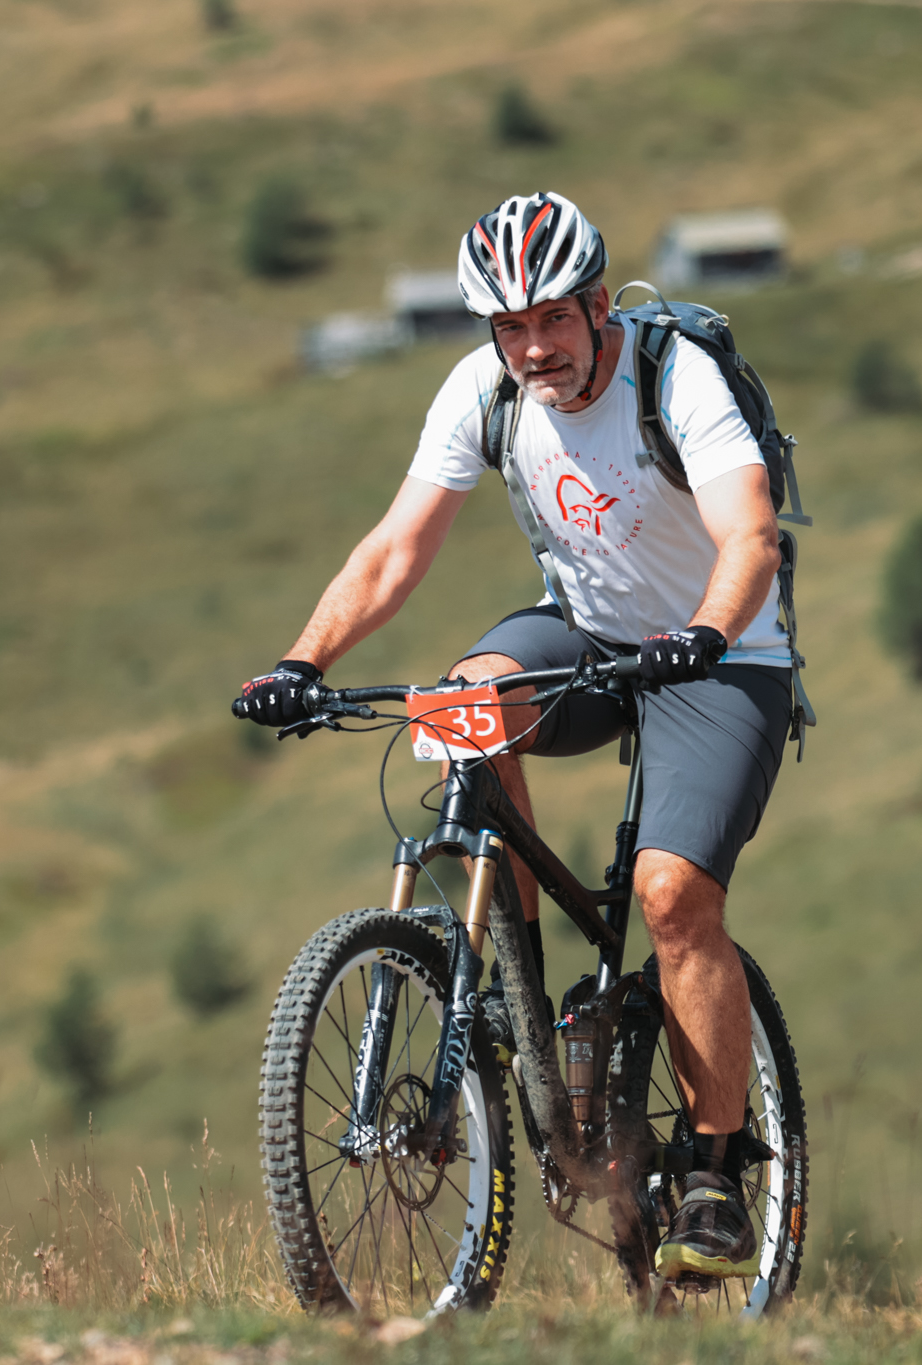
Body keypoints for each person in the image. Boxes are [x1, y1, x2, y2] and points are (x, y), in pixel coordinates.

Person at [234, 191, 792, 1281]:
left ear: (598, 306)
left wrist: (704, 633)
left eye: (552, 319)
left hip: (721, 656)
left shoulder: (674, 379)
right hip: (585, 636)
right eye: (510, 326)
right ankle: (523, 1014)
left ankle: (716, 1174)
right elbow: (396, 547)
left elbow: (750, 535)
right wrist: (303, 662)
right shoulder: (483, 390)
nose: (534, 347)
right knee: (458, 708)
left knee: (673, 896)